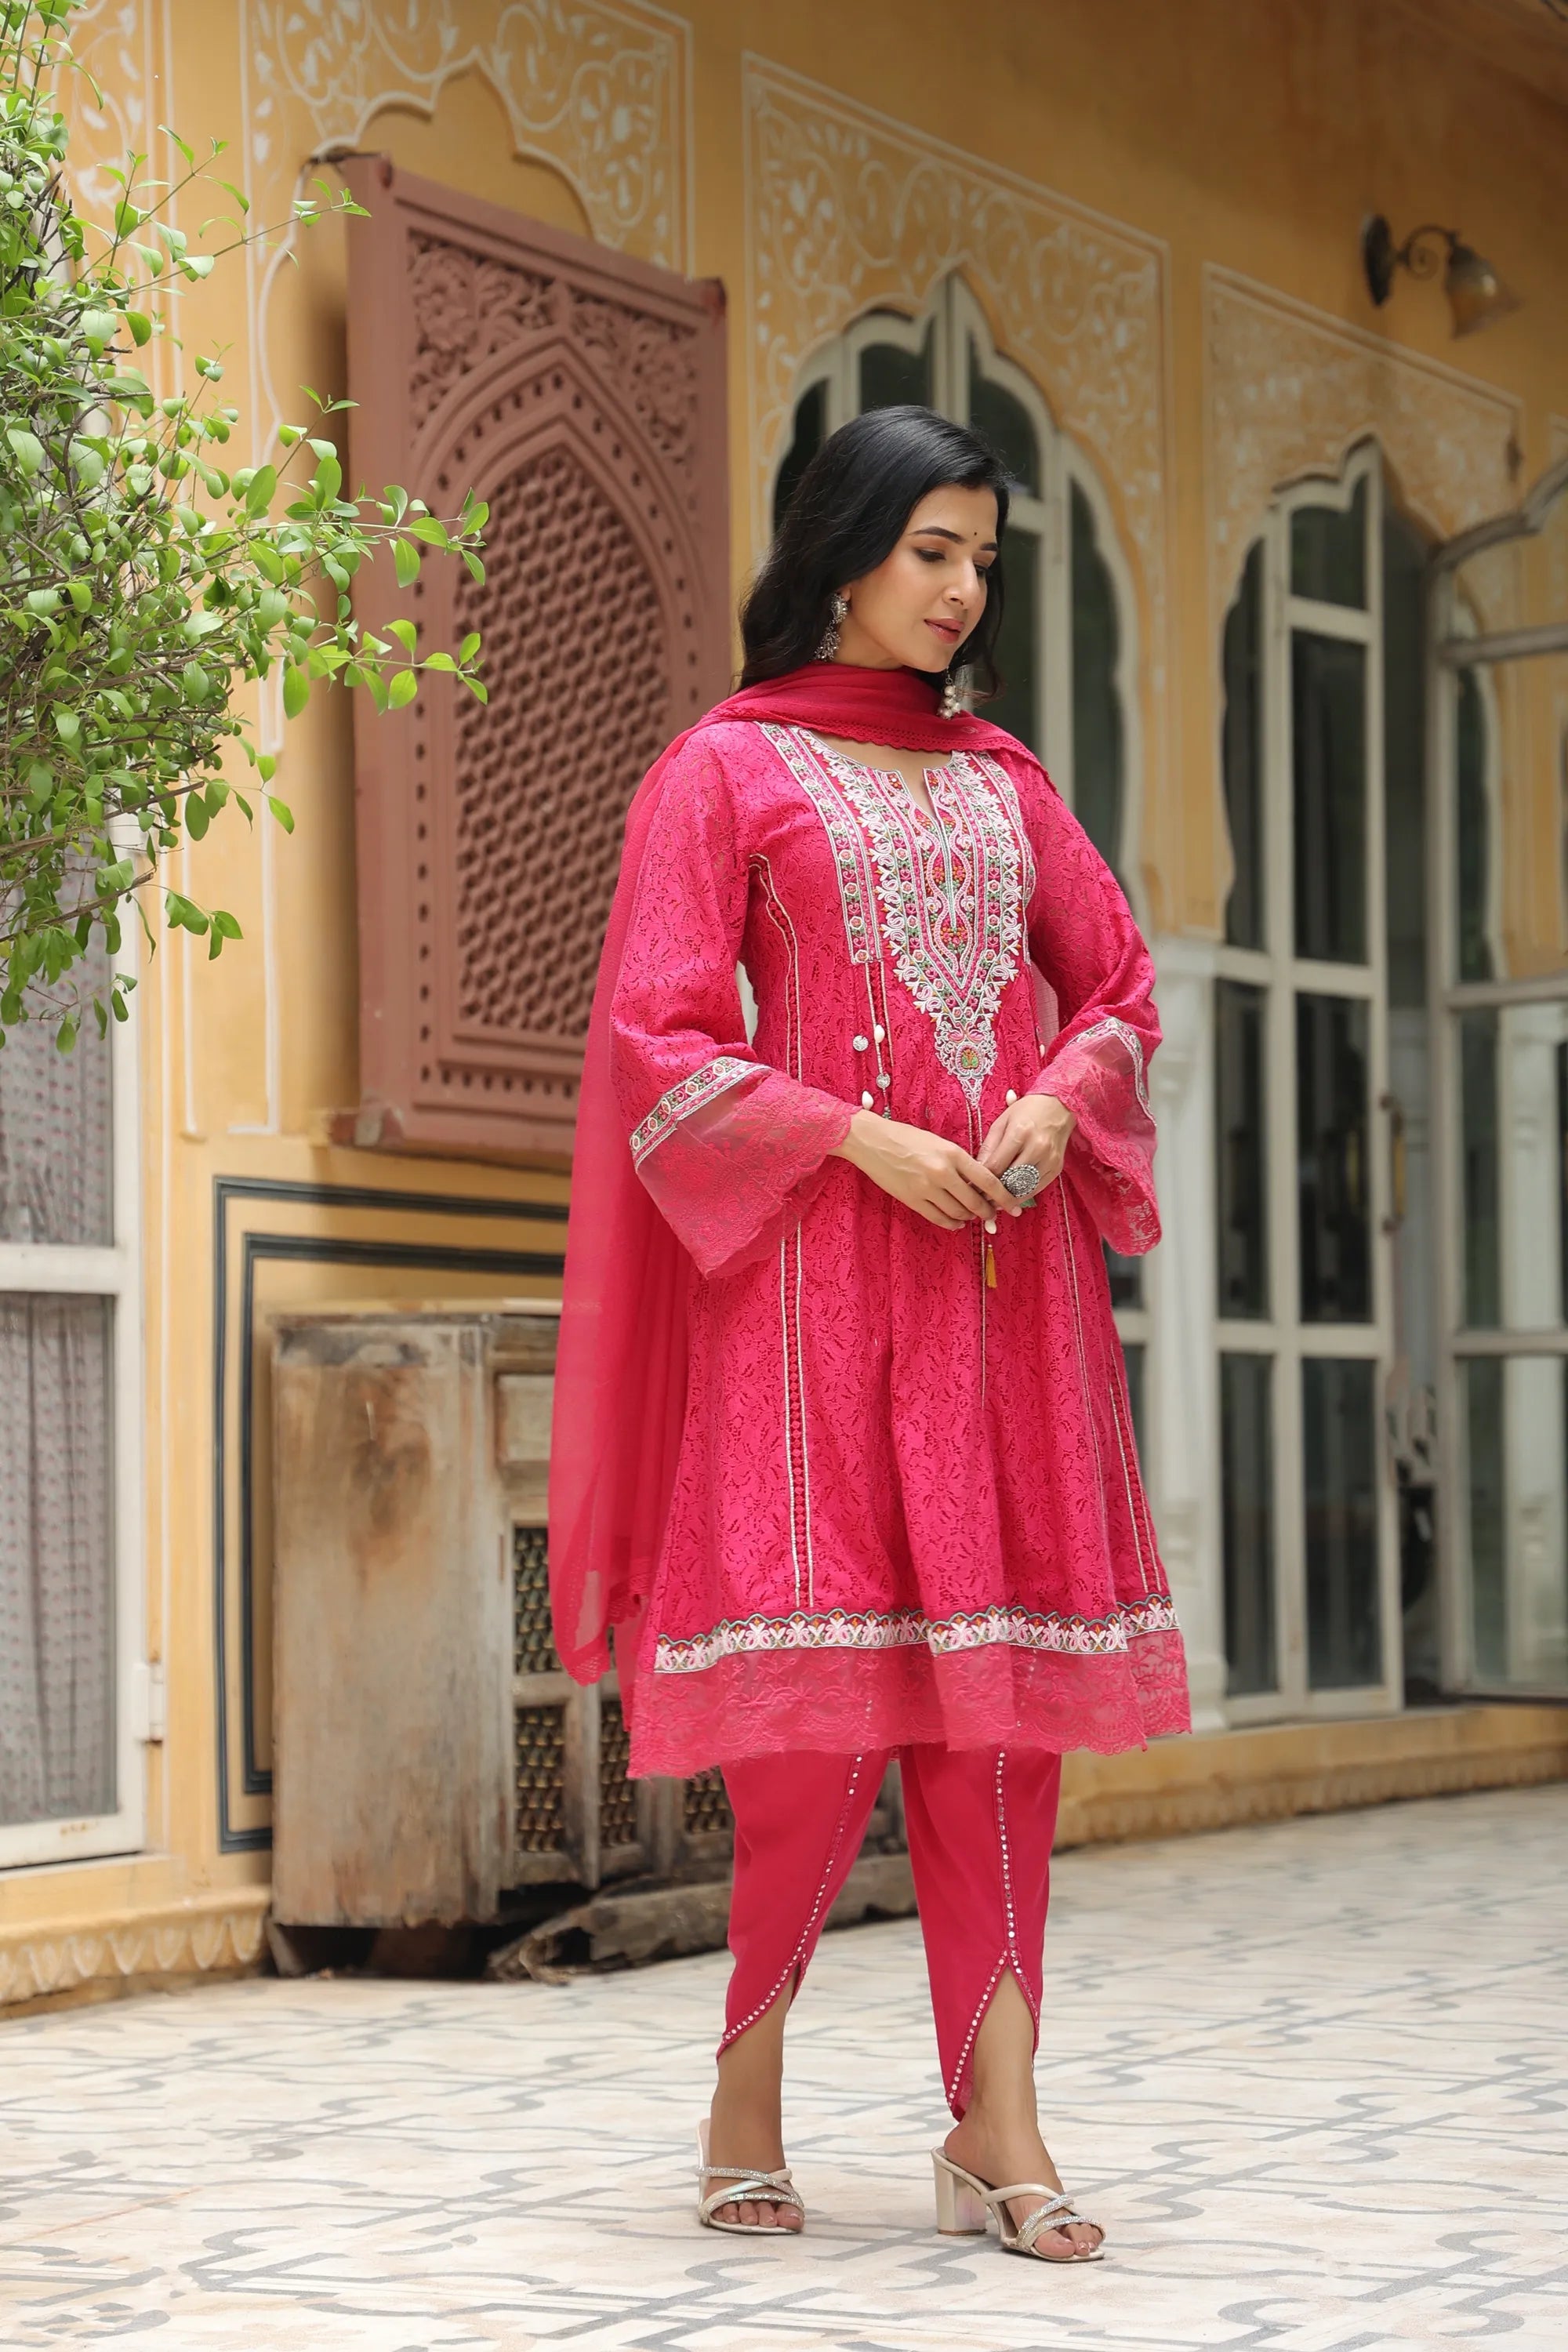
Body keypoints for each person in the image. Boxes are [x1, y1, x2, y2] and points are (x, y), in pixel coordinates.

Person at [550, 405, 1189, 2265]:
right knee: (814, 1725)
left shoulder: (1003, 779)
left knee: (996, 1725)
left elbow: (1120, 981)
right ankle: (744, 2091)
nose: (964, 588)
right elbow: (658, 1036)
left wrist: (1064, 1098)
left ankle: (997, 2125)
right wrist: (853, 1134)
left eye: (984, 559)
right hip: (817, 1302)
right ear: (842, 550)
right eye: (934, 552)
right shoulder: (725, 773)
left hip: (1005, 1298)